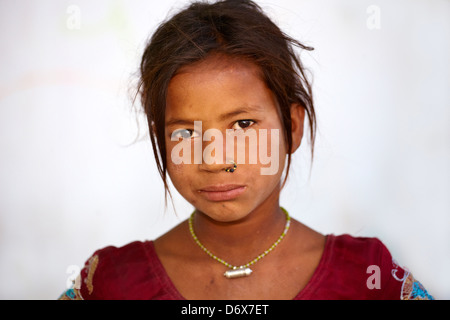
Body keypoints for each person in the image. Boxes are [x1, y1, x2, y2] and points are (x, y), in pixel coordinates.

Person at [59, 0, 434, 300]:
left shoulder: (369, 279)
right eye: (186, 132)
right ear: (161, 138)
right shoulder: (111, 284)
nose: (215, 159)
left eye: (242, 125)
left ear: (292, 126)